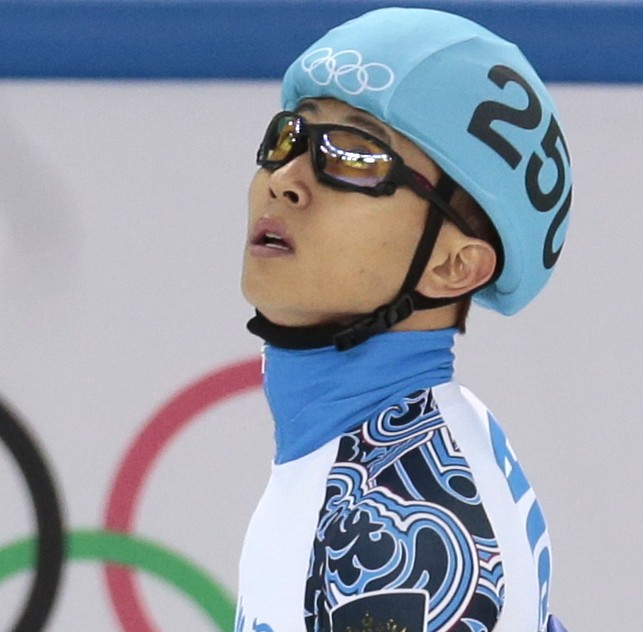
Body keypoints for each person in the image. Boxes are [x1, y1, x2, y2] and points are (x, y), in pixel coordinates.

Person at [236, 7, 571, 632]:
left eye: (357, 158)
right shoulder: (395, 449)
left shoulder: (411, 546)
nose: (285, 180)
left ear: (454, 267)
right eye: (289, 136)